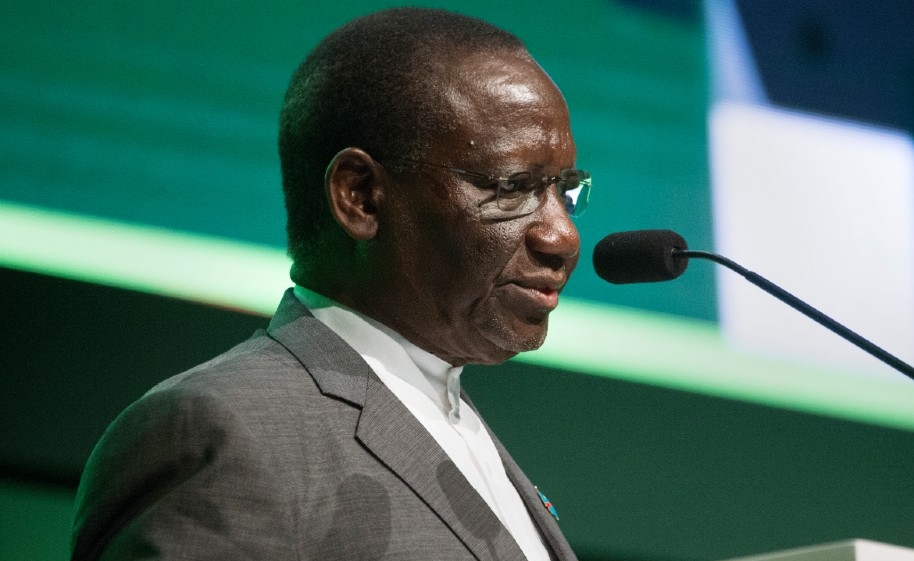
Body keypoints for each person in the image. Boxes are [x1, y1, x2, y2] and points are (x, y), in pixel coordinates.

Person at [71, 7, 591, 561]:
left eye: (566, 190)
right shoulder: (224, 430)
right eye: (511, 187)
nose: (562, 237)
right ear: (361, 196)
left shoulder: (460, 424)